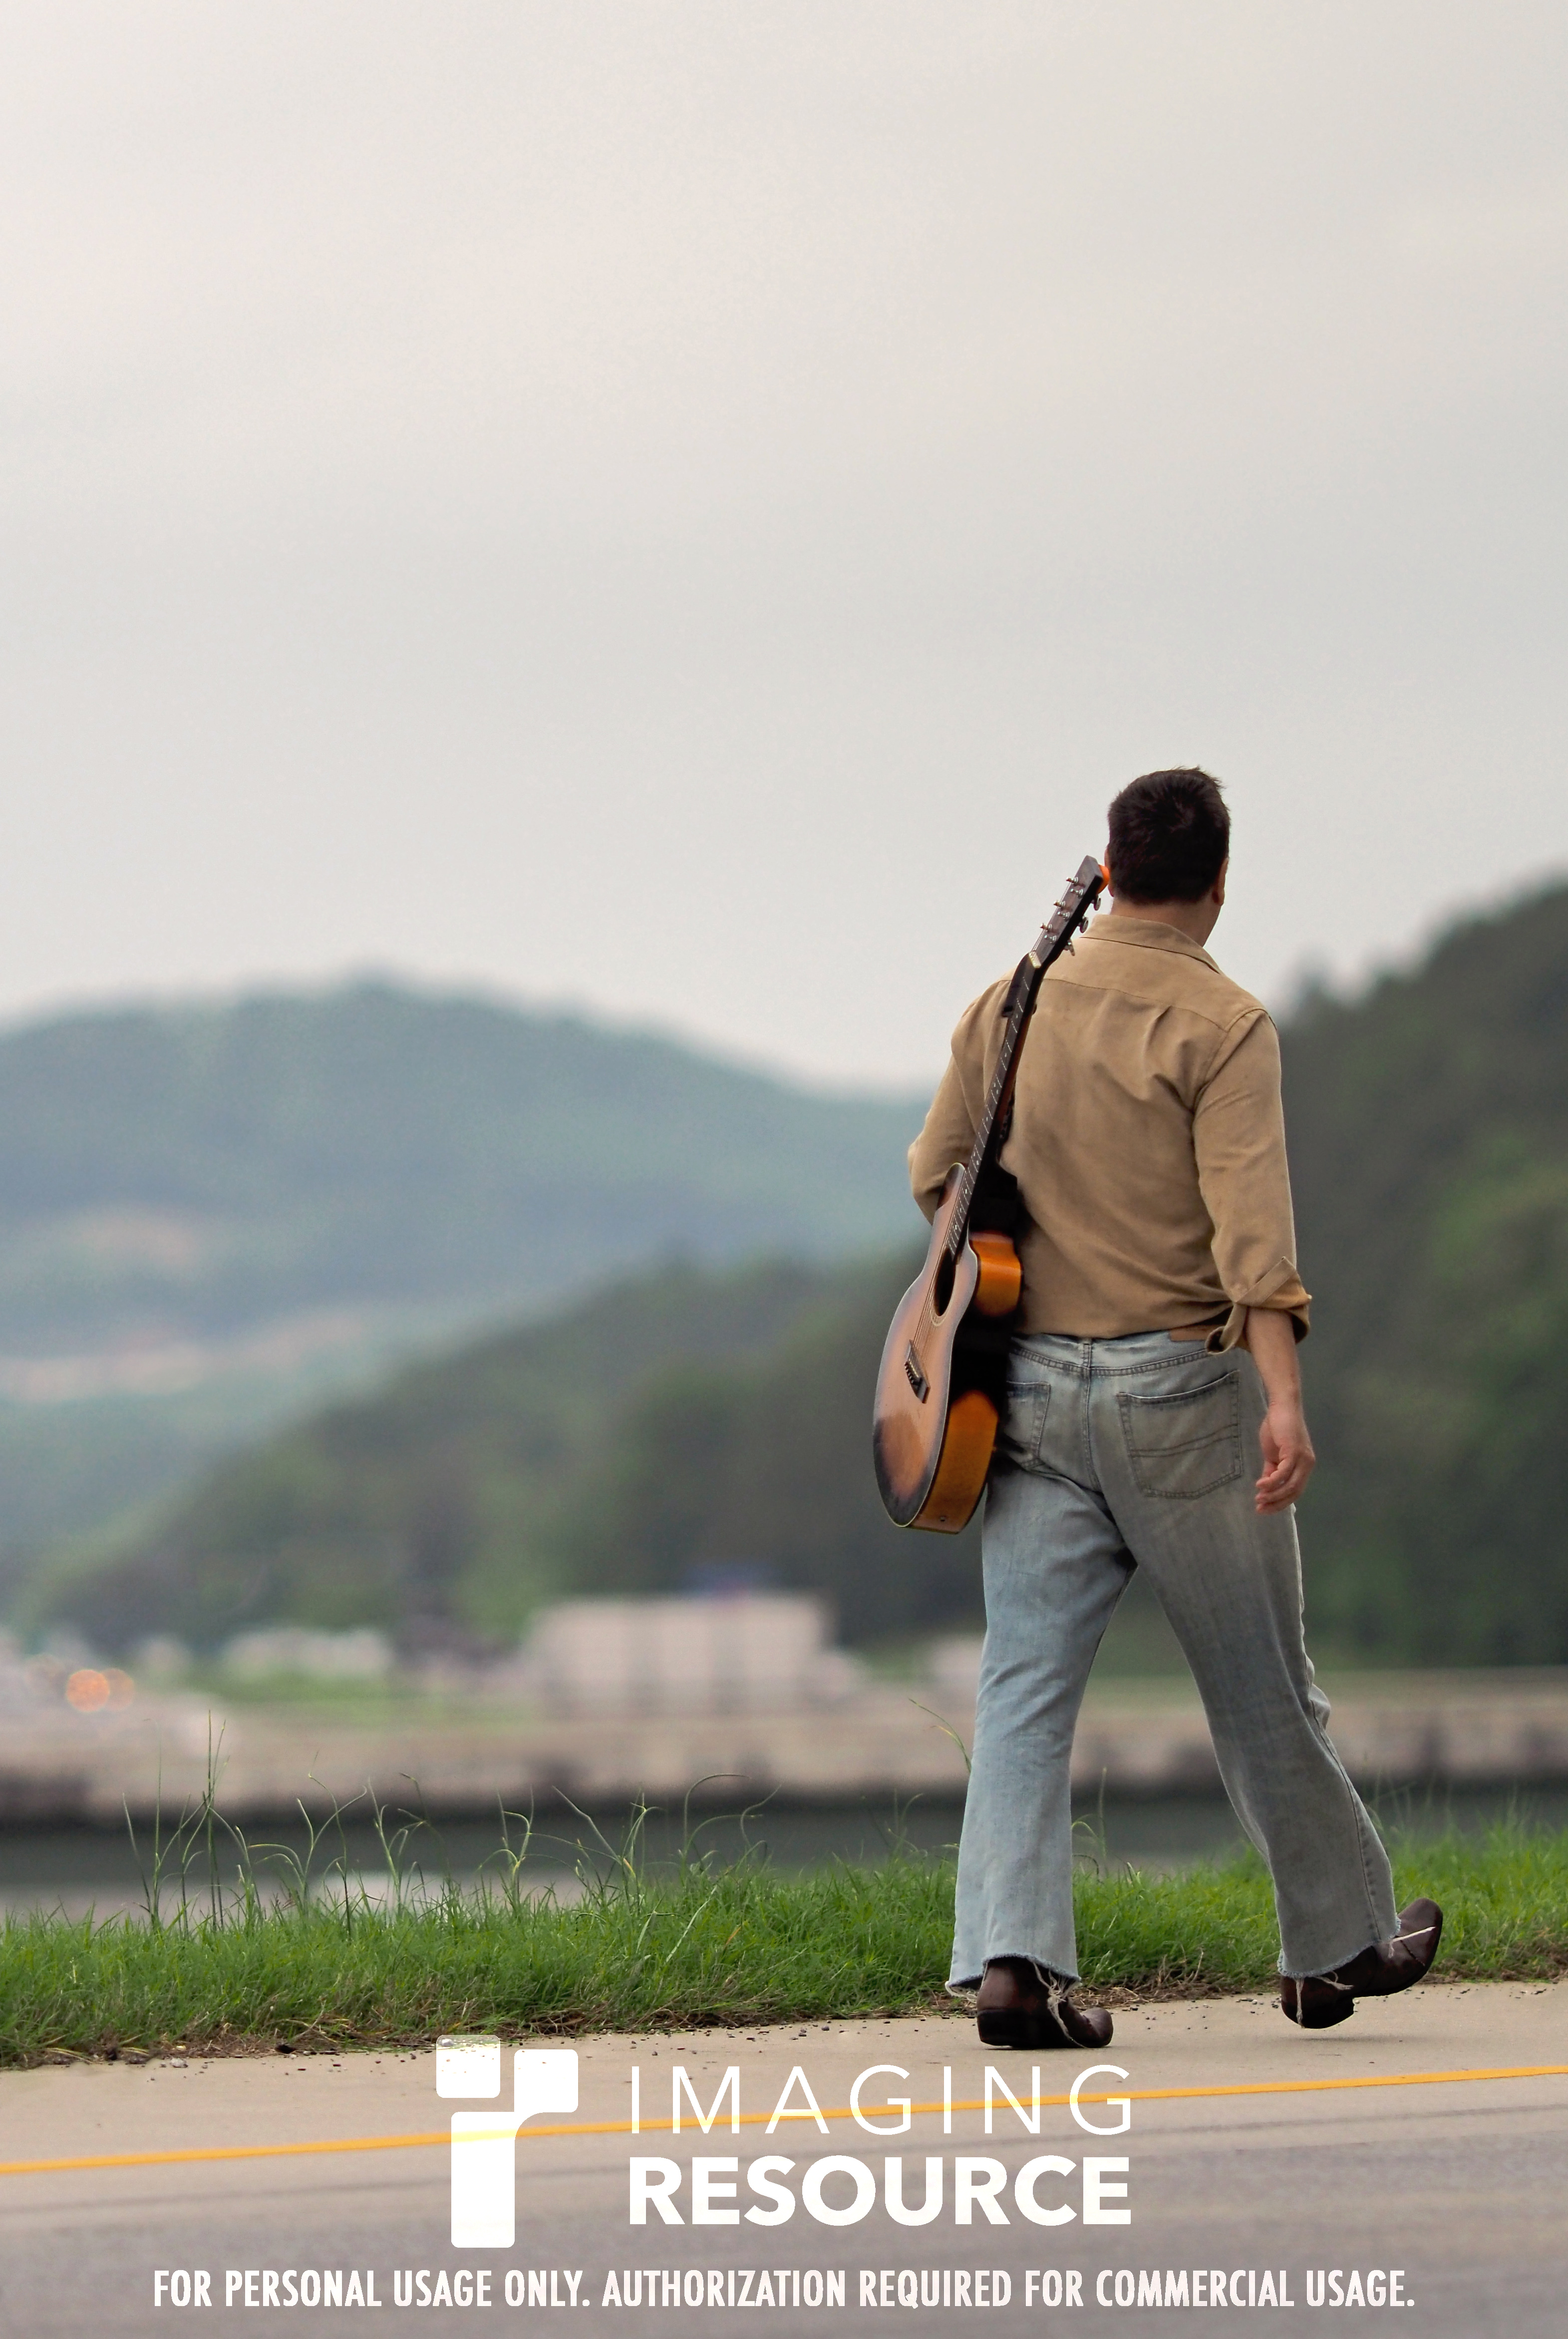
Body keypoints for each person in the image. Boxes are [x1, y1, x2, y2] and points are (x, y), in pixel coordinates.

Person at [908, 768, 1441, 2048]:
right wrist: (1284, 1398)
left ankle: (1012, 1969)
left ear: (1107, 869)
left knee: (1021, 1690)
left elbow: (935, 1175)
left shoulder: (1012, 1002)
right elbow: (1253, 1244)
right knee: (1260, 1686)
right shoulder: (1223, 1024)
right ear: (1218, 881)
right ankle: (1332, 1948)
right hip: (1178, 1398)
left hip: (1025, 1393)